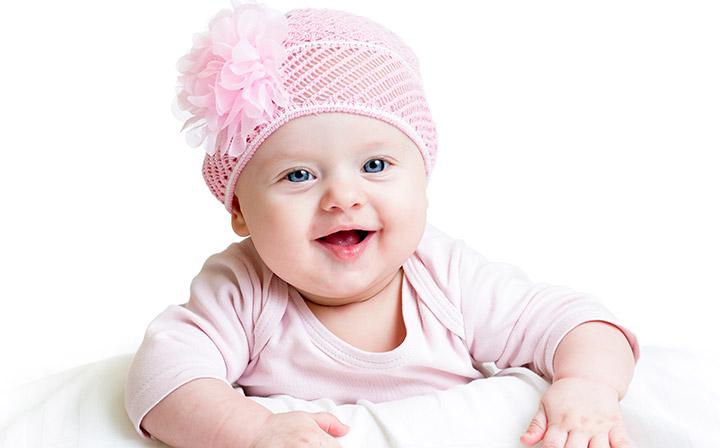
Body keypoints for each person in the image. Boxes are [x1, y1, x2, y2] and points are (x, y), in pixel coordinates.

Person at [124, 2, 641, 447]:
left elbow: (579, 323)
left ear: (422, 177)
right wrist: (253, 430)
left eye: (375, 166)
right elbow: (161, 376)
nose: (344, 198)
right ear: (239, 209)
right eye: (298, 175)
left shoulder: (445, 277)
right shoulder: (243, 291)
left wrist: (587, 383)